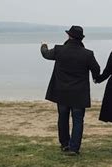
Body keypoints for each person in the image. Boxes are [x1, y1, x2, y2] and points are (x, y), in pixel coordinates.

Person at [41, 25, 100, 156]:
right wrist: (96, 78)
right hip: (79, 93)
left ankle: (64, 144)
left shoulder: (59, 50)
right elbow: (96, 69)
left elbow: (45, 54)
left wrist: (43, 45)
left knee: (63, 118)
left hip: (61, 92)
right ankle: (74, 148)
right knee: (78, 120)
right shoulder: (87, 54)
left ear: (69, 36)